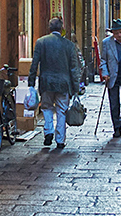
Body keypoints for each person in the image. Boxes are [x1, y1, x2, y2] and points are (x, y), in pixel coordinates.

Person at [28, 17, 81, 149]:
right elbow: (74, 68)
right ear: (61, 29)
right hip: (63, 83)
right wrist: (76, 87)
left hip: (46, 82)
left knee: (46, 107)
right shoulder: (69, 45)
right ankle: (60, 139)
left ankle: (48, 131)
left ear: (49, 28)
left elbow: (34, 64)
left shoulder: (41, 42)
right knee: (61, 110)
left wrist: (31, 82)